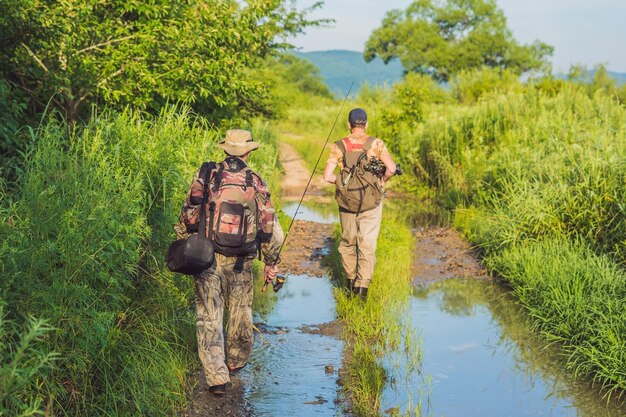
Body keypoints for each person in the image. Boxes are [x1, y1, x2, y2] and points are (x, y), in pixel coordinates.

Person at [175, 129, 284, 396]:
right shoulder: (256, 181)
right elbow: (271, 229)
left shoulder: (208, 176)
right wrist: (271, 262)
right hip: (241, 262)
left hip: (207, 257)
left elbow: (188, 214)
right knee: (240, 314)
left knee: (209, 316)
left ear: (225, 149)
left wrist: (184, 241)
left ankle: (216, 378)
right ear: (248, 151)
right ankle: (235, 363)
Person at [322, 108, 397, 300]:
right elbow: (392, 168)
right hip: (371, 202)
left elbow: (327, 176)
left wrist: (344, 182)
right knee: (367, 243)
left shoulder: (339, 146)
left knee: (348, 242)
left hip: (347, 202)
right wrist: (381, 181)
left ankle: (349, 280)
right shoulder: (376, 144)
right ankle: (362, 289)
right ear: (366, 124)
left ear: (349, 124)